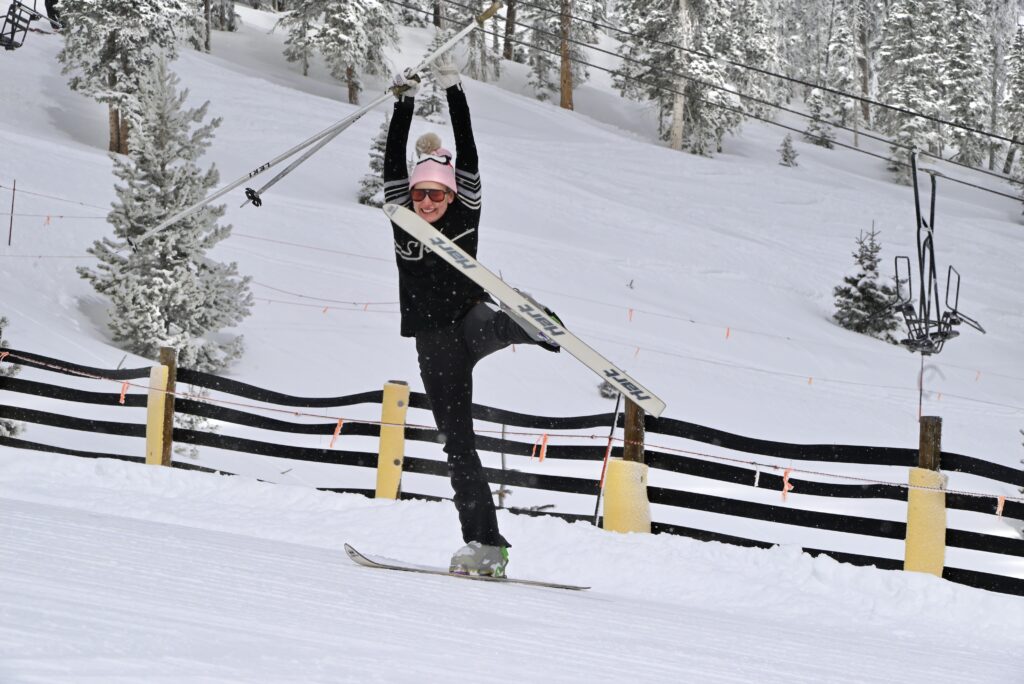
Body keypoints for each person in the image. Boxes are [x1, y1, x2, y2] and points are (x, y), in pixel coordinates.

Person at [382, 53, 559, 578]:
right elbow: (393, 164)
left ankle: (535, 325)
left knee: (499, 325)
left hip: (470, 319)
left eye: (436, 193)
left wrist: (453, 90)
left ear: (451, 193)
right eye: (421, 194)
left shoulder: (466, 208)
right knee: (458, 446)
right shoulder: (400, 216)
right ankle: (486, 544)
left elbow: (471, 156)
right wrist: (404, 104)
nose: (428, 201)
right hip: (433, 342)